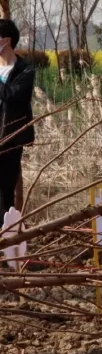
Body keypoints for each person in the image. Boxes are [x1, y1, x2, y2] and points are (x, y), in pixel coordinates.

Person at [0, 19, 35, 218]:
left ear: (6, 40)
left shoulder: (25, 71)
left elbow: (12, 95)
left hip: (11, 137)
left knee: (5, 188)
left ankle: (6, 231)